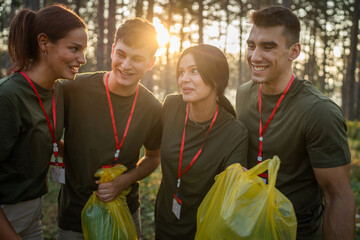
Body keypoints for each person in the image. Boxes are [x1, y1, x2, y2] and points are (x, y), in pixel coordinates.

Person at [236, 5, 355, 239]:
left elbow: (338, 197)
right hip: (246, 227)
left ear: (294, 51)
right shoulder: (243, 94)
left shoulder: (319, 111)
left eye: (268, 47)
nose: (255, 56)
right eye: (251, 45)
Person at [57, 18, 161, 240]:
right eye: (121, 54)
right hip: (74, 213)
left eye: (137, 59)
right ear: (113, 50)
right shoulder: (73, 89)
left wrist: (122, 181)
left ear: (150, 63)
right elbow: (49, 134)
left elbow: (153, 157)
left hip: (124, 210)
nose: (125, 65)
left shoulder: (152, 108)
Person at [0, 4, 87, 240]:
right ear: (44, 43)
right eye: (74, 48)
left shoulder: (57, 90)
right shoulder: (8, 97)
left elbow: (37, 136)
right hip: (6, 216)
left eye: (84, 50)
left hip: (33, 213)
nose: (83, 58)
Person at [155, 44, 248, 239]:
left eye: (194, 71)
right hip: (164, 224)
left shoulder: (234, 133)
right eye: (181, 72)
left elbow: (233, 192)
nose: (184, 79)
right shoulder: (171, 106)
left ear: (216, 78)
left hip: (205, 230)